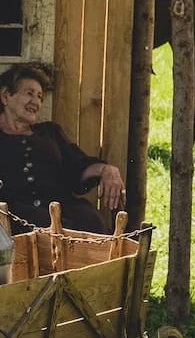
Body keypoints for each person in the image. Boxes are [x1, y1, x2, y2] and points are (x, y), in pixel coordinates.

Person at [0, 63, 125, 233]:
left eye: (40, 97)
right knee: (42, 223)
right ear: (5, 96)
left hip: (60, 208)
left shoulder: (50, 132)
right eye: (29, 93)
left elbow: (77, 166)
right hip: (15, 216)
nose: (35, 102)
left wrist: (106, 170)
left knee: (90, 219)